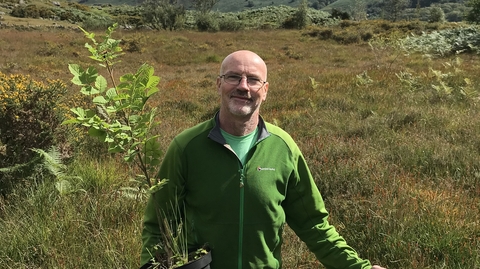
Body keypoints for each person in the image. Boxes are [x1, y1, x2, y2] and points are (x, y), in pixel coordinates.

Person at [140, 50, 386, 269]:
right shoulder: (186, 147)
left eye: (253, 80)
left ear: (265, 91)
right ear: (218, 84)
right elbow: (158, 226)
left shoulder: (284, 148)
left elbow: (314, 227)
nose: (243, 86)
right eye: (233, 77)